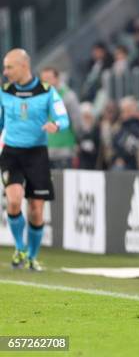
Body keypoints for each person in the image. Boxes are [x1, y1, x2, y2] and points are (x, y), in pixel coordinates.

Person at [0, 49, 70, 271]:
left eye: (9, 67)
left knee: (36, 209)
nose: (5, 72)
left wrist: (56, 125)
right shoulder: (4, 92)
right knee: (13, 200)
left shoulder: (47, 91)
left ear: (24, 66)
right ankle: (20, 247)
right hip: (11, 153)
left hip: (37, 154)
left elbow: (63, 117)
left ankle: (32, 256)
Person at [40, 67, 82, 169]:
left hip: (64, 151)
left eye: (48, 78)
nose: (45, 82)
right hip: (45, 152)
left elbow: (77, 122)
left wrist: (77, 141)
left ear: (57, 78)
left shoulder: (68, 96)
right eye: (43, 79)